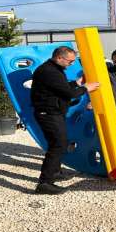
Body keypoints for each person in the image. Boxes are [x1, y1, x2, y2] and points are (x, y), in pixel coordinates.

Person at [30, 46, 99, 195]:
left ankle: (55, 172)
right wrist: (86, 88)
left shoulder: (53, 70)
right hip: (48, 113)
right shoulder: (49, 72)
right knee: (58, 145)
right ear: (59, 58)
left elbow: (60, 88)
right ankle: (44, 183)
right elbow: (68, 93)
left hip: (53, 112)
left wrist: (77, 83)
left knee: (59, 143)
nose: (72, 64)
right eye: (70, 61)